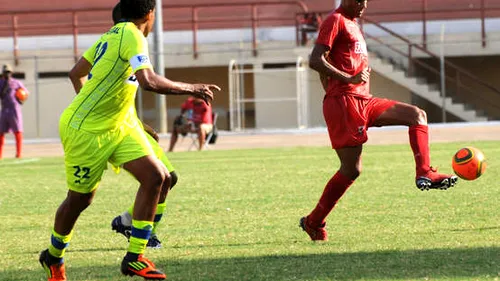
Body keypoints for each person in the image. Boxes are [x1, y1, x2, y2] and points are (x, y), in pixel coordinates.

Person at [38, 0, 220, 280]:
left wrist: (124, 117)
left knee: (158, 177)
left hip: (119, 126)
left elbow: (77, 73)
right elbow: (148, 81)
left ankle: (134, 258)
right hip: (86, 131)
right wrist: (192, 88)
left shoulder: (111, 35)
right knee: (80, 199)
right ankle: (54, 256)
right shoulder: (132, 34)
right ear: (150, 14)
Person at [299, 0, 458, 242]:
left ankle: (424, 172)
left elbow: (329, 62)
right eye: (360, 1)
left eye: (366, 1)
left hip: (364, 100)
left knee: (417, 115)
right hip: (345, 103)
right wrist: (345, 81)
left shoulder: (353, 23)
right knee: (351, 169)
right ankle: (313, 222)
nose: (364, 5)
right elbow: (316, 60)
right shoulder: (335, 20)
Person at [110, 2, 178, 250]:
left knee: (168, 178)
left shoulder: (127, 44)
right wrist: (190, 88)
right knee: (158, 178)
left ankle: (129, 223)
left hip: (130, 125)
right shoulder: (126, 41)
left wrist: (139, 124)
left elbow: (120, 96)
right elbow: (148, 82)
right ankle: (139, 232)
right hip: (111, 129)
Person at [0, 64, 28, 159]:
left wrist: (21, 98)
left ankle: (18, 154)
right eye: (5, 72)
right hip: (4, 109)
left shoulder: (16, 82)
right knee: (1, 132)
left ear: (11, 73)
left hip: (14, 109)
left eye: (8, 72)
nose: (7, 74)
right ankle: (0, 155)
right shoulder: (0, 83)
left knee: (18, 131)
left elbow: (25, 92)